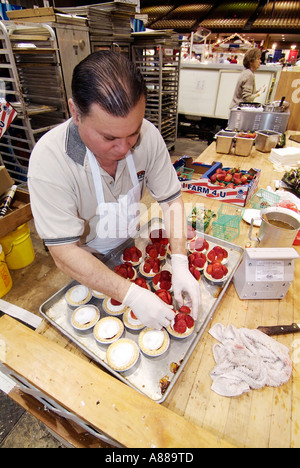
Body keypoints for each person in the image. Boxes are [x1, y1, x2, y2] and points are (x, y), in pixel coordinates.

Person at [28, 51, 201, 330]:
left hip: (129, 246)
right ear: (76, 113)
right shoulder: (50, 161)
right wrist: (132, 295)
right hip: (86, 263)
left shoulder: (149, 137)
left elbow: (171, 200)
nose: (124, 148)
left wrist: (180, 260)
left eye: (132, 132)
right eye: (109, 137)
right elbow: (63, 252)